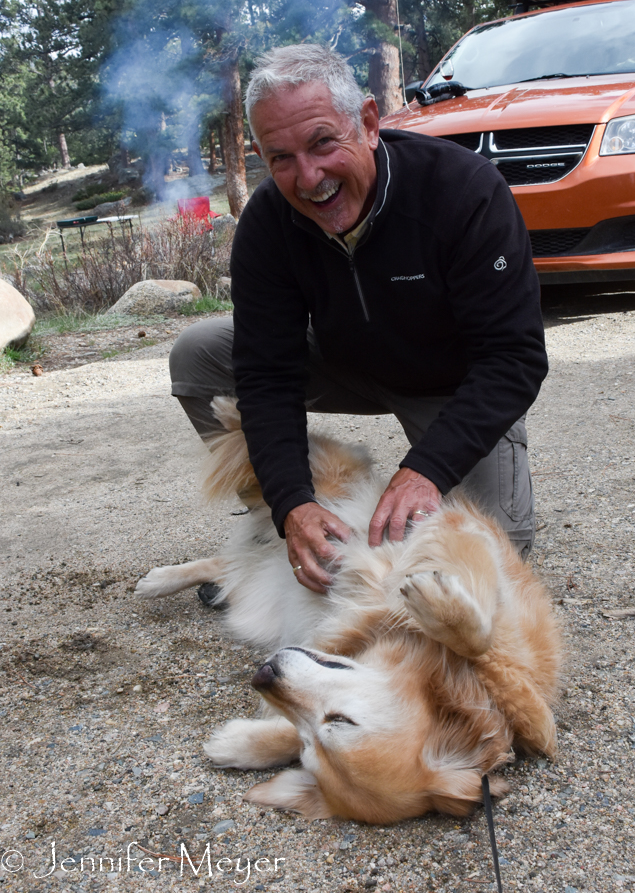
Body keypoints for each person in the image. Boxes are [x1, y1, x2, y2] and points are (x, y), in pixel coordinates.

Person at [170, 44, 548, 594]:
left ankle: (416, 486)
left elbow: (514, 358)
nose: (308, 177)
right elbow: (267, 375)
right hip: (339, 361)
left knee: (492, 557)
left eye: (323, 142)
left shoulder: (462, 192)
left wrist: (427, 471)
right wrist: (291, 502)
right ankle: (280, 533)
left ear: (368, 123)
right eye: (280, 157)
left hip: (449, 383)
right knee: (198, 354)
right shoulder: (267, 224)